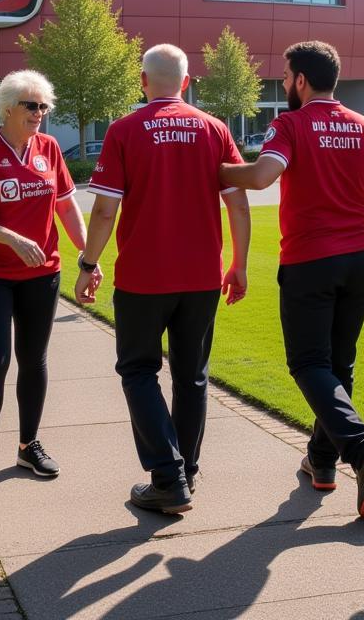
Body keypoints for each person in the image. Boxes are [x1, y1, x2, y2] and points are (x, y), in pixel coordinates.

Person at [220, 40, 364, 517]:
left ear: (301, 80)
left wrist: (206, 167)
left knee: (307, 364)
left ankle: (362, 451)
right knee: (338, 366)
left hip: (310, 259)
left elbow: (261, 177)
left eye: (285, 77)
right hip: (362, 258)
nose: (284, 85)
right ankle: (321, 463)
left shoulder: (291, 124)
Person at [74, 44, 250, 515]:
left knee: (138, 370)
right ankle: (185, 472)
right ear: (187, 82)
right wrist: (240, 262)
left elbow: (106, 208)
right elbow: (237, 201)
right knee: (191, 376)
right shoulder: (214, 129)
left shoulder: (125, 130)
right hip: (200, 276)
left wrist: (88, 265)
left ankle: (169, 478)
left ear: (142, 81)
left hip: (143, 276)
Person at [0, 70, 89, 494]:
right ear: (8, 107)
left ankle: (28, 446)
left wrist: (88, 257)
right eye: (32, 106)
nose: (40, 114)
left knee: (34, 359)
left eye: (45, 106)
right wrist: (11, 238)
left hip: (42, 273)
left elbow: (66, 207)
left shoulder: (48, 148)